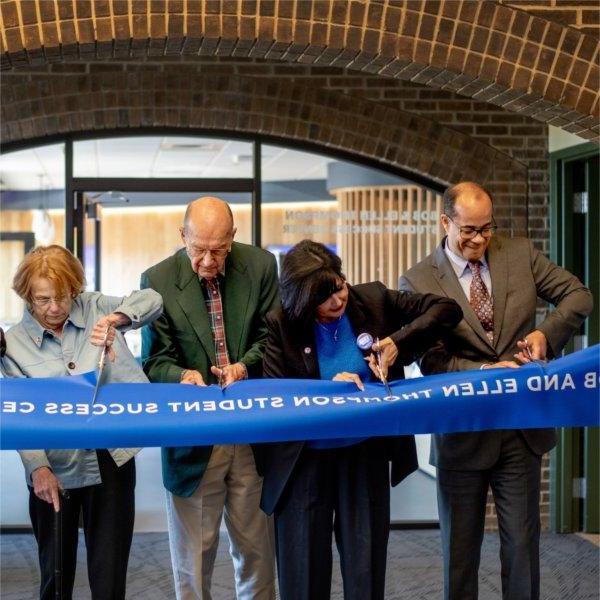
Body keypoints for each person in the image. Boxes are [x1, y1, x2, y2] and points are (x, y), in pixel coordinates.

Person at [399, 181, 594, 600]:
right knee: (461, 555)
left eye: (487, 228)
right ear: (445, 223)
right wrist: (488, 371)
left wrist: (545, 333)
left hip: (519, 430)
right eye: (468, 230)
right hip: (462, 432)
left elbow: (579, 296)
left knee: (522, 550)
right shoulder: (417, 281)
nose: (480, 239)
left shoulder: (519, 253)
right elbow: (431, 362)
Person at [256, 239, 462, 600]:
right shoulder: (280, 324)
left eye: (339, 287)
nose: (338, 301)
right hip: (304, 461)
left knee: (365, 571)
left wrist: (398, 341)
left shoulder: (373, 300)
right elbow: (277, 397)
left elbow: (447, 309)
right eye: (325, 298)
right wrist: (327, 390)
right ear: (302, 300)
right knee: (302, 576)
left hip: (364, 454)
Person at [1, 244, 163, 600]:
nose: (55, 308)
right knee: (55, 578)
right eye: (43, 300)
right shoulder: (11, 346)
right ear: (27, 295)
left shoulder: (94, 307)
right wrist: (37, 468)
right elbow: (18, 413)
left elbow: (151, 299)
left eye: (62, 296)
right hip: (55, 467)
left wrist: (117, 320)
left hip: (111, 458)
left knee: (109, 576)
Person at [141, 197, 278, 600]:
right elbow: (153, 361)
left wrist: (245, 367)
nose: (207, 261)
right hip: (194, 438)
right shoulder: (157, 280)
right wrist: (182, 375)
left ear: (233, 238)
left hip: (250, 431)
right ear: (182, 236)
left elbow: (271, 339)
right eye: (198, 249)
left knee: (256, 551)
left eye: (218, 250)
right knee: (194, 557)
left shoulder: (261, 267)